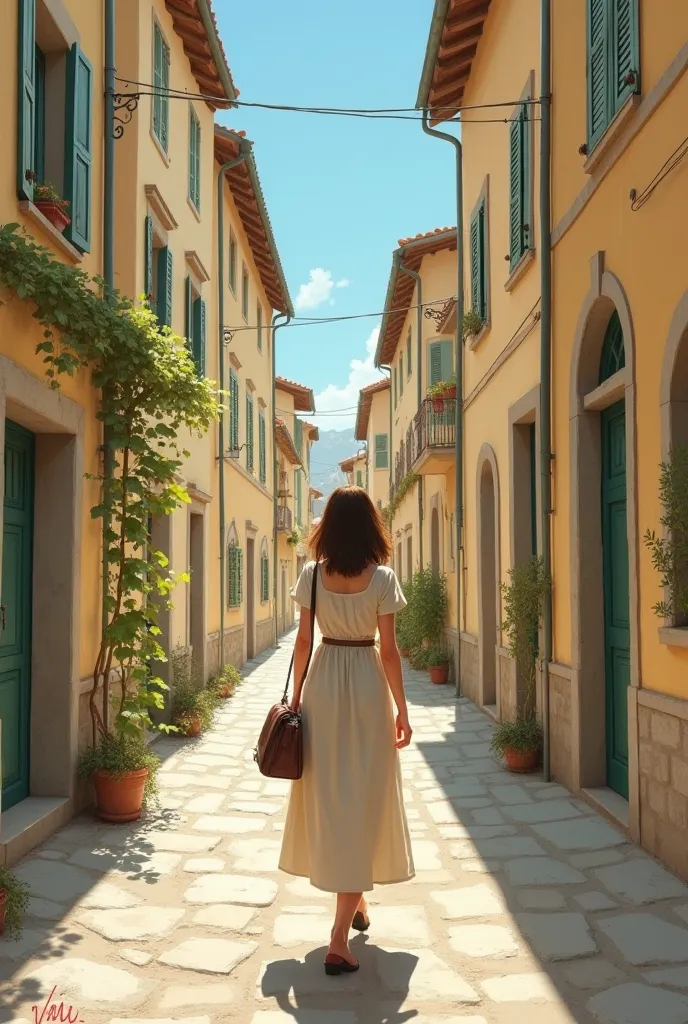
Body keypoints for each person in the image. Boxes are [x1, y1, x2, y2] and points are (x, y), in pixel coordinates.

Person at [278, 485, 415, 976]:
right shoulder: (382, 578)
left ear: (328, 526)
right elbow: (391, 652)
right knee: (367, 799)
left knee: (332, 797)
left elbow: (302, 642)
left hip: (323, 685)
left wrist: (295, 700)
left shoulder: (311, 577)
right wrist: (402, 709)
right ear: (371, 526)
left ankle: (354, 905)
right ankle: (338, 939)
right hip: (366, 684)